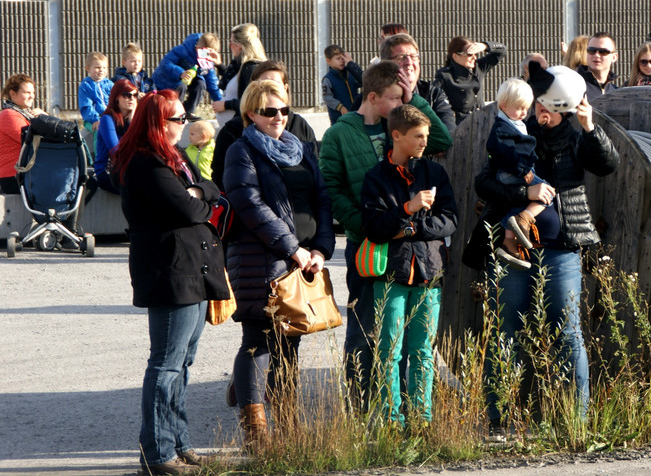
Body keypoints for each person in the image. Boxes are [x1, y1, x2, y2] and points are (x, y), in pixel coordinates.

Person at [475, 64, 619, 439]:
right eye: (539, 104)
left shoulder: (576, 136)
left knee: (567, 333)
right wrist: (525, 194)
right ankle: (499, 420)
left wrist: (589, 126)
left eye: (551, 107)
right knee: (505, 331)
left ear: (567, 108)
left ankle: (574, 421)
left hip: (562, 248)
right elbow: (484, 182)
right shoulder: (514, 131)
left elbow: (607, 164)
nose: (542, 111)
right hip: (514, 251)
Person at [319, 61, 452, 403]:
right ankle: (364, 402)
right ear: (374, 96)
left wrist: (413, 98)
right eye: (394, 98)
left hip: (411, 248)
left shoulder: (404, 124)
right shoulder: (339, 133)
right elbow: (331, 188)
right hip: (367, 244)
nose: (400, 104)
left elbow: (437, 138)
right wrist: (363, 225)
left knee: (411, 336)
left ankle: (406, 399)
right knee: (367, 327)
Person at [111, 90, 229, 476]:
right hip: (169, 273)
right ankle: (158, 453)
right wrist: (199, 196)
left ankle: (179, 444)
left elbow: (211, 190)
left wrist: (200, 192)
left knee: (183, 364)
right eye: (177, 119)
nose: (184, 124)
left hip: (193, 270)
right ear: (157, 124)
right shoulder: (147, 164)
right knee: (165, 365)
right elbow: (194, 207)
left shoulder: (174, 159)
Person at [223, 79, 335, 451]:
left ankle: (287, 427)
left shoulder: (300, 148)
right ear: (251, 113)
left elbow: (321, 198)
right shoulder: (241, 151)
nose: (279, 117)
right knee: (258, 342)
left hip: (302, 260)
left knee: (290, 344)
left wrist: (320, 248)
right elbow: (250, 205)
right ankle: (256, 433)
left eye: (284, 110)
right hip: (260, 259)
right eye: (270, 111)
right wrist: (292, 248)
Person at [361, 104, 458, 426]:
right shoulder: (375, 178)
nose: (424, 143)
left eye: (426, 136)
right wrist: (408, 207)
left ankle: (422, 421)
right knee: (389, 351)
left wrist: (411, 228)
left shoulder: (435, 173)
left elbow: (450, 221)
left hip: (429, 273)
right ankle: (391, 422)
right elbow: (373, 228)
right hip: (390, 275)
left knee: (423, 352)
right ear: (397, 135)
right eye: (418, 136)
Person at [211, 60, 318, 189]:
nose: (269, 89)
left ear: (285, 88)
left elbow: (316, 170)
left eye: (274, 84)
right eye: (262, 84)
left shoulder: (300, 125)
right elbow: (221, 177)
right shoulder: (233, 131)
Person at [486, 77, 554, 269]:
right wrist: (522, 169)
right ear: (504, 105)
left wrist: (537, 127)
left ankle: (509, 242)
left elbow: (526, 144)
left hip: (516, 170)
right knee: (548, 192)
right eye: (519, 108)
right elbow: (505, 151)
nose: (524, 113)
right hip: (513, 171)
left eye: (526, 108)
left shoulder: (513, 122)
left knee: (517, 201)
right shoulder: (501, 128)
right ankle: (524, 218)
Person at [380, 33, 457, 133]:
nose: (409, 62)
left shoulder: (434, 95)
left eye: (413, 56)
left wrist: (413, 102)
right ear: (386, 64)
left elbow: (449, 134)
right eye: (401, 57)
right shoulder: (376, 98)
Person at [432, 36, 507, 126]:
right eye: (470, 54)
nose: (474, 58)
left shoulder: (479, 67)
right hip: (461, 126)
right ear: (455, 56)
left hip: (483, 123)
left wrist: (484, 46)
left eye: (475, 54)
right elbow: (433, 97)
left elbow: (502, 51)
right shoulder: (445, 75)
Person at [152, 32, 223, 116]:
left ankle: (189, 112)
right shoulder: (182, 50)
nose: (206, 56)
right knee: (181, 85)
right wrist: (180, 73)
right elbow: (166, 64)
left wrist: (220, 102)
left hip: (189, 79)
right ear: (198, 48)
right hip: (169, 79)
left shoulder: (206, 61)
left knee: (200, 84)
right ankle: (174, 112)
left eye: (209, 54)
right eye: (204, 52)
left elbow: (212, 83)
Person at [212, 24, 267, 127]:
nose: (229, 46)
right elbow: (234, 81)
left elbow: (250, 102)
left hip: (242, 128)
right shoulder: (241, 66)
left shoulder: (250, 68)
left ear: (240, 46)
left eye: (231, 42)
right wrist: (219, 65)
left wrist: (225, 105)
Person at [0, 74, 44, 194]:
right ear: (12, 93)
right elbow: (33, 140)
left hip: (28, 173)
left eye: (33, 92)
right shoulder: (8, 115)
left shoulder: (26, 114)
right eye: (27, 92)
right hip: (14, 176)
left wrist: (45, 118)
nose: (32, 96)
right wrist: (45, 120)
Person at [94, 79, 138, 193]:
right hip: (108, 173)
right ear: (116, 97)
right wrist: (132, 124)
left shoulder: (134, 119)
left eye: (135, 95)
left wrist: (133, 120)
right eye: (127, 95)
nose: (132, 98)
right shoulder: (107, 119)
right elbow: (117, 151)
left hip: (129, 170)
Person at [78, 51, 114, 155]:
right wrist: (95, 119)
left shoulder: (110, 84)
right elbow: (86, 107)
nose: (101, 70)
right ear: (88, 68)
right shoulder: (85, 86)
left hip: (109, 116)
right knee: (99, 130)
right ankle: (98, 158)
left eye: (104, 67)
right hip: (93, 119)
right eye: (98, 67)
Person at [322, 44, 363, 125]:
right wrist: (340, 107)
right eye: (338, 59)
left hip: (356, 115)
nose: (342, 61)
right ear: (328, 61)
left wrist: (353, 66)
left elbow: (362, 81)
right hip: (339, 118)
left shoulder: (350, 74)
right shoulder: (328, 79)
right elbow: (327, 97)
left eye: (342, 58)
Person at [578, 32, 619, 100]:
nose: (596, 55)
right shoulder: (573, 85)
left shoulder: (616, 92)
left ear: (614, 57)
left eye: (603, 51)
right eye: (592, 50)